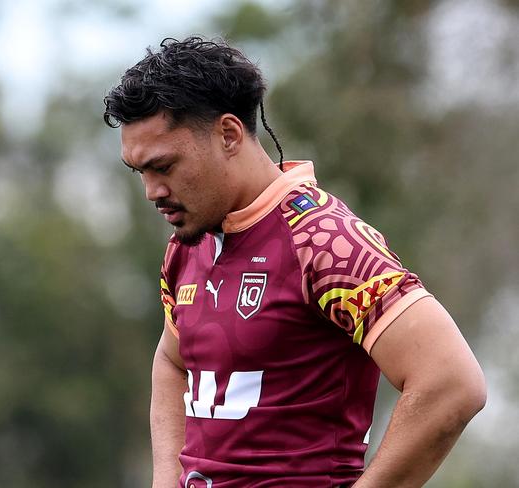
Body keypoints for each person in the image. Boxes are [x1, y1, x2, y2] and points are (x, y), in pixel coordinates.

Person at [103, 36, 486, 488]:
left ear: (228, 135)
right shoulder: (188, 245)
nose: (152, 191)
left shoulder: (323, 239)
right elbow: (172, 359)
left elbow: (451, 384)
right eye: (140, 172)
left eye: (163, 167)